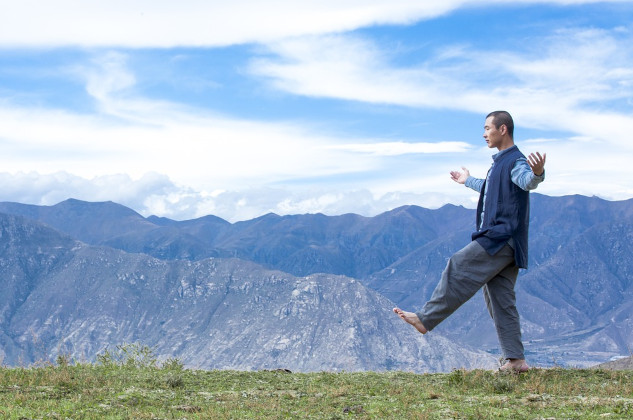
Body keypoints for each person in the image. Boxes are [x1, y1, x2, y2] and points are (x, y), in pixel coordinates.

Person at [393, 110, 546, 373]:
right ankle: (516, 360)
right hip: (508, 243)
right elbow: (491, 188)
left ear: (503, 130)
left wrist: (538, 174)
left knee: (459, 263)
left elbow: (526, 180)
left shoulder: (516, 161)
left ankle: (425, 319)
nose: (483, 133)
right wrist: (467, 181)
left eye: (487, 128)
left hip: (500, 239)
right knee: (500, 299)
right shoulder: (500, 163)